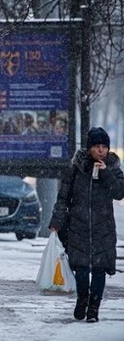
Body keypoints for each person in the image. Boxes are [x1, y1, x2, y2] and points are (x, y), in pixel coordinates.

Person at [48, 127, 124, 323]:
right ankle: (82, 299)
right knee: (81, 270)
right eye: (97, 147)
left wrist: (107, 174)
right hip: (78, 227)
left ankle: (93, 310)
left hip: (103, 228)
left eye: (104, 147)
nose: (101, 151)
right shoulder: (76, 169)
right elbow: (63, 197)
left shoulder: (114, 167)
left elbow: (119, 193)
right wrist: (56, 222)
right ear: (89, 148)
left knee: (99, 271)